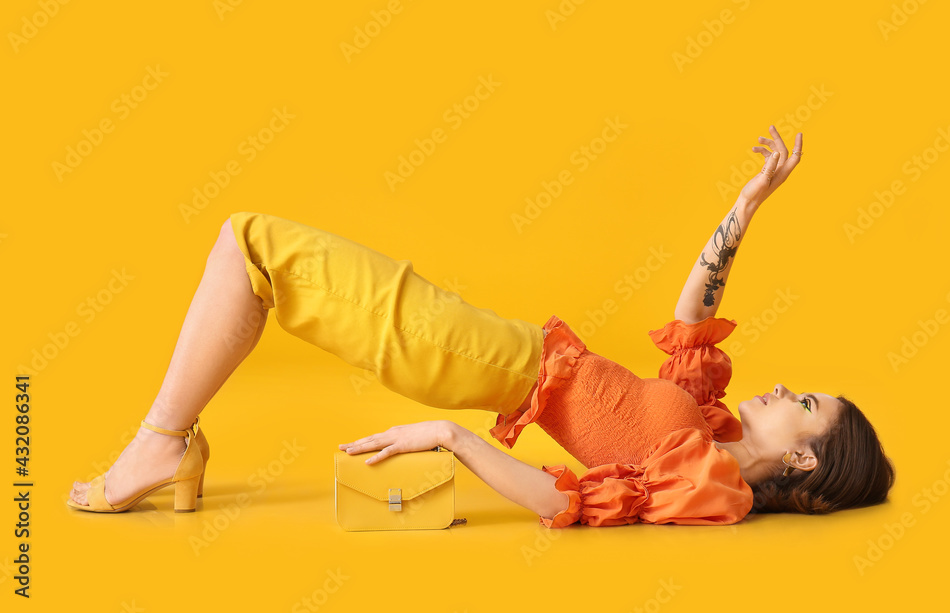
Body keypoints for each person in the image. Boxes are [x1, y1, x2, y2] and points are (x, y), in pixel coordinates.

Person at [68, 125, 895, 525]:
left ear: (803, 454)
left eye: (806, 402)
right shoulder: (705, 430)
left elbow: (561, 501)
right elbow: (692, 320)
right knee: (255, 251)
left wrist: (450, 438)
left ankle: (165, 438)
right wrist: (745, 206)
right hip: (495, 343)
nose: (785, 387)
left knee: (251, 245)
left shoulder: (706, 482)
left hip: (485, 364)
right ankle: (171, 440)